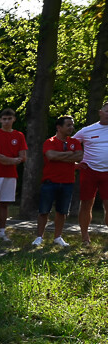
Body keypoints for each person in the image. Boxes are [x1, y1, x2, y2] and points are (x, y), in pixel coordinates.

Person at [34, 115, 82, 248]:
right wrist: (70, 155)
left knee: (62, 211)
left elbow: (79, 156)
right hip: (50, 182)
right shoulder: (49, 142)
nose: (71, 128)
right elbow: (51, 156)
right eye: (68, 125)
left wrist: (60, 156)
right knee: (44, 210)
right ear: (59, 127)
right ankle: (39, 237)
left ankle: (58, 237)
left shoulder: (75, 142)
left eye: (72, 125)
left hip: (67, 182)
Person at [0, 108, 27, 241]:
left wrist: (6, 159)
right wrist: (11, 160)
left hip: (10, 174)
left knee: (5, 204)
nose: (6, 121)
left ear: (14, 119)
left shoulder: (19, 135)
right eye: (4, 119)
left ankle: (2, 231)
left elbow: (23, 156)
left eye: (9, 118)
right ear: (0, 120)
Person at [74, 102, 108, 245]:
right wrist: (74, 164)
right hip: (89, 171)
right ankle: (84, 237)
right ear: (100, 112)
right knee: (86, 204)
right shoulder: (87, 130)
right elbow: (68, 145)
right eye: (107, 111)